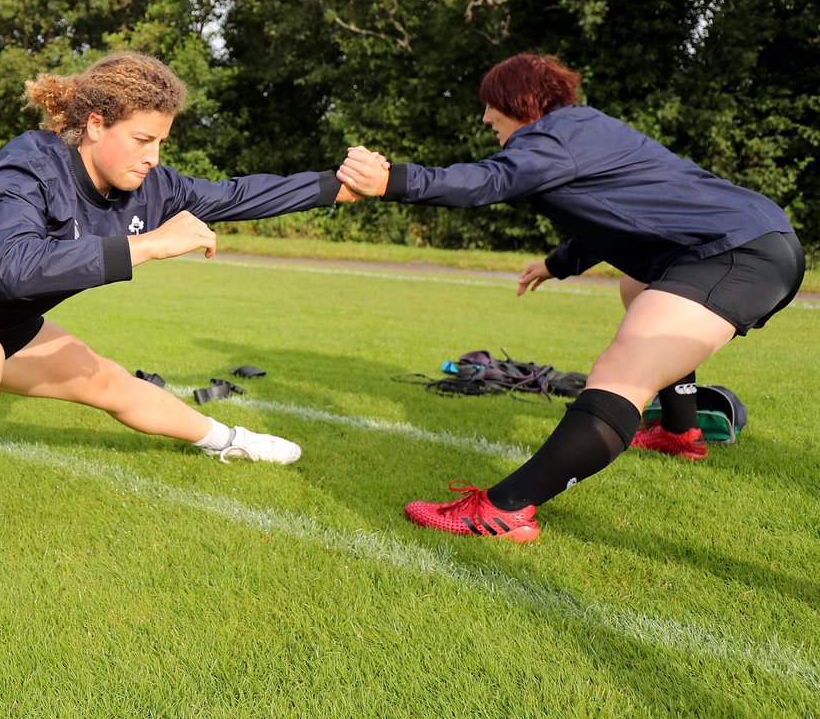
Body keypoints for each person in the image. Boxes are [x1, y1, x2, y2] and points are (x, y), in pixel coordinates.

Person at [0, 51, 354, 570]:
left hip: (4, 328)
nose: (154, 157)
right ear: (95, 125)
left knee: (111, 382)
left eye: (161, 142)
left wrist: (335, 187)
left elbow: (234, 195)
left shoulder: (148, 187)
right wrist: (149, 246)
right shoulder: (27, 165)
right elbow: (18, 267)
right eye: (142, 140)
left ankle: (229, 440)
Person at [337, 52, 803, 542]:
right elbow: (614, 219)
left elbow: (488, 181)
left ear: (518, 99)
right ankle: (679, 431)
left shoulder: (555, 136)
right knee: (637, 286)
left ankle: (505, 509)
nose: (485, 118)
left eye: (490, 104)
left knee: (621, 373)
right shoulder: (580, 131)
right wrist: (555, 265)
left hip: (738, 253)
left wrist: (391, 181)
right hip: (748, 241)